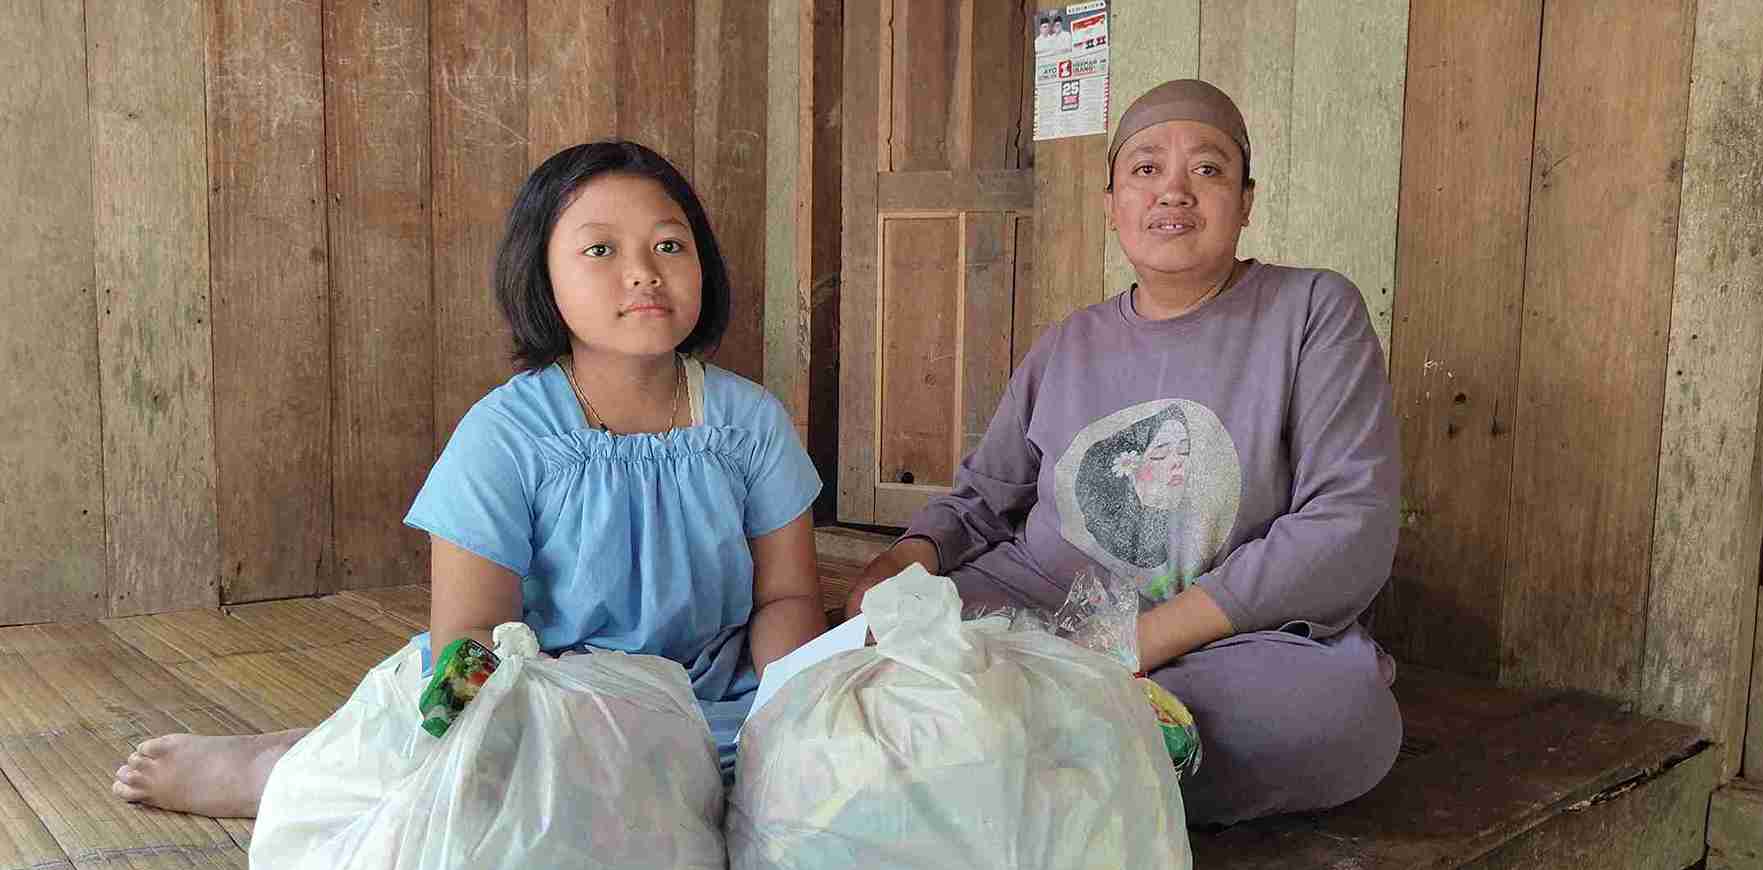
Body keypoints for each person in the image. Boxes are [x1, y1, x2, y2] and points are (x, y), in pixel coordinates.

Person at [114, 140, 828, 817]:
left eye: (669, 245)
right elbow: (472, 632)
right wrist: (453, 740)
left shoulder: (749, 423)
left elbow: (788, 595)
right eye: (600, 249)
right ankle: (285, 767)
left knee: (840, 771)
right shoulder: (506, 434)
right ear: (541, 276)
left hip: (712, 700)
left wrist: (794, 708)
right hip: (543, 694)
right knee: (446, 776)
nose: (643, 271)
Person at [846, 79, 1404, 827]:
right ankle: (1077, 762)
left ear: (1246, 201)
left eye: (1207, 170)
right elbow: (984, 497)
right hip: (1045, 615)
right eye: (1145, 169)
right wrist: (903, 560)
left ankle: (1002, 761)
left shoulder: (1312, 311)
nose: (1173, 191)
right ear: (1112, 206)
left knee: (1341, 714)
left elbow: (1348, 523)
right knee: (881, 646)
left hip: (1212, 645)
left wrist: (1136, 643)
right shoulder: (1068, 342)